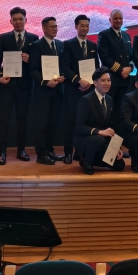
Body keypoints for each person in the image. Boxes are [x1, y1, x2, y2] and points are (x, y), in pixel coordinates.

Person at [0, 7, 38, 165]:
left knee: (22, 120)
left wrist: (30, 60)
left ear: (26, 20)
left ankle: (21, 150)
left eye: (20, 19)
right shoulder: (4, 38)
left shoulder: (34, 38)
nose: (18, 22)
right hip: (7, 85)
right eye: (15, 19)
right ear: (10, 21)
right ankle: (2, 153)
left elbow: (37, 62)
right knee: (3, 120)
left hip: (25, 86)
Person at [60, 15, 100, 165]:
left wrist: (91, 83)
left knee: (86, 123)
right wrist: (79, 80)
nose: (85, 28)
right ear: (76, 27)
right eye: (82, 25)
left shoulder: (93, 45)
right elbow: (65, 68)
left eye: (87, 26)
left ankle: (80, 152)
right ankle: (68, 153)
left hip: (88, 91)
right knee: (71, 122)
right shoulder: (68, 44)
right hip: (73, 90)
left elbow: (96, 67)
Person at [73, 67, 125, 175]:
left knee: (120, 165)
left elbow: (111, 125)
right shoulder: (86, 100)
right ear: (95, 83)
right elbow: (79, 127)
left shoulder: (109, 99)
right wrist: (100, 132)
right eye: (103, 80)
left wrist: (116, 147)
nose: (106, 83)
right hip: (85, 138)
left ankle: (89, 157)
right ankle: (87, 162)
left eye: (108, 80)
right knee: (99, 140)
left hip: (102, 139)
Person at [28, 17, 65, 165]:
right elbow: (33, 69)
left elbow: (63, 66)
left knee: (52, 124)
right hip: (43, 92)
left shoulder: (60, 44)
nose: (55, 29)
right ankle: (41, 154)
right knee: (42, 125)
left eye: (56, 26)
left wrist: (63, 76)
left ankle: (50, 151)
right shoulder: (36, 45)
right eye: (52, 27)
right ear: (43, 28)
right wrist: (45, 82)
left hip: (58, 91)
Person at [97, 9, 134, 121]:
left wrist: (130, 68)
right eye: (115, 18)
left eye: (120, 18)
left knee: (121, 111)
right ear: (110, 20)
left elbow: (131, 56)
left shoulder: (126, 36)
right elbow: (104, 57)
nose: (118, 20)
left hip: (124, 80)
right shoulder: (104, 35)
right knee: (109, 112)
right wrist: (122, 70)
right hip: (111, 80)